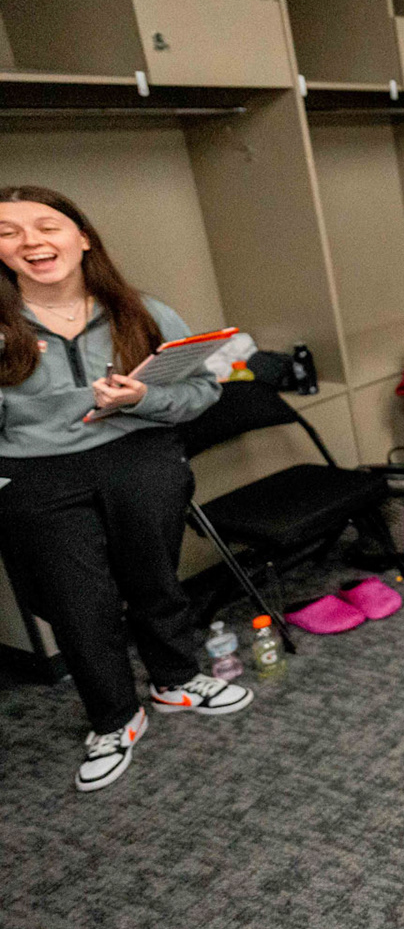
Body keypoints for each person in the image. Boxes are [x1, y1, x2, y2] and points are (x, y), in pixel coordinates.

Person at [0, 186, 250, 793]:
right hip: (39, 475)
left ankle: (175, 682)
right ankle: (114, 718)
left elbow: (203, 393)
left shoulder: (145, 314)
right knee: (77, 604)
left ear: (82, 236)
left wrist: (145, 398)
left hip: (141, 460)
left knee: (155, 580)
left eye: (46, 225)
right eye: (8, 232)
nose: (31, 241)